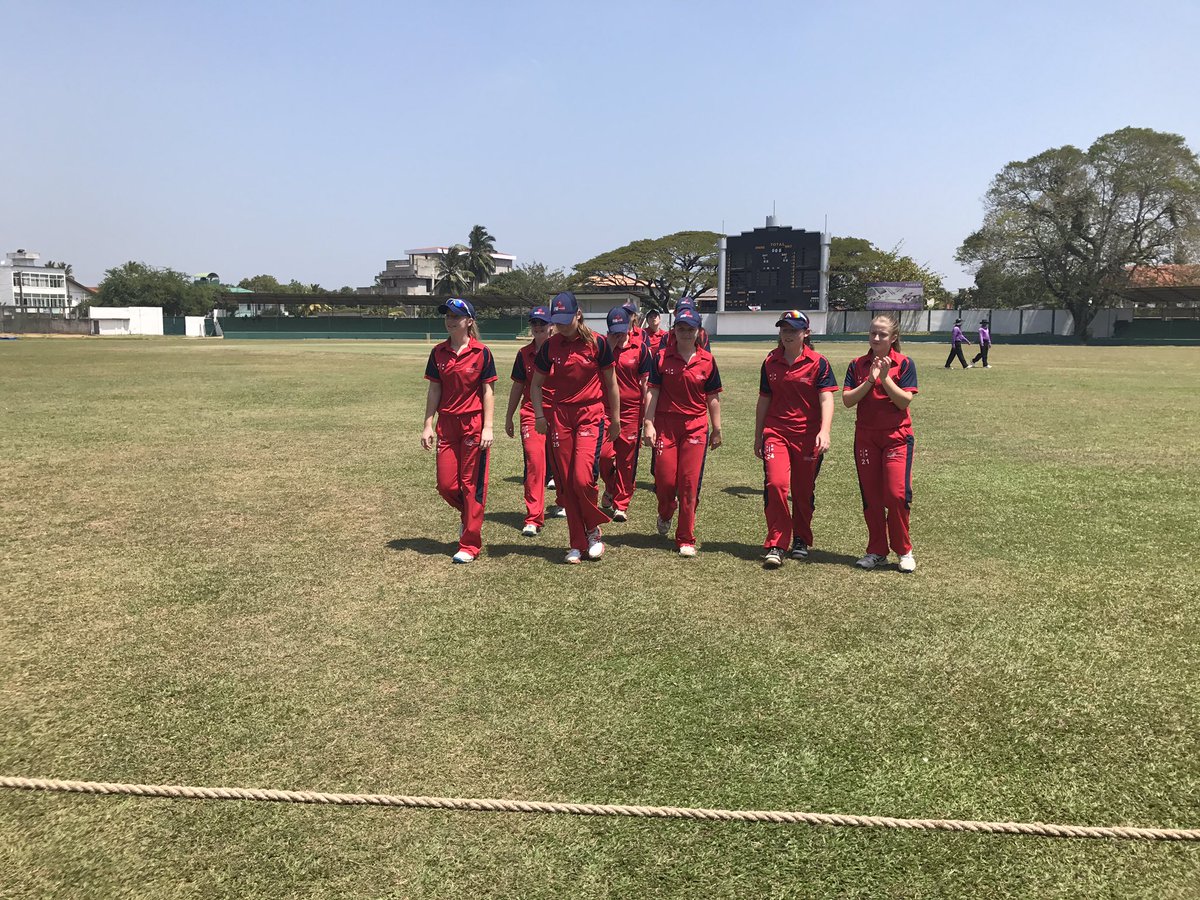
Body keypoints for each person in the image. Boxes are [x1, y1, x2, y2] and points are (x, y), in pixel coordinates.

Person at [531, 292, 621, 564]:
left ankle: (593, 531)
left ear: (578, 314)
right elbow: (536, 385)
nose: (560, 325)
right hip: (560, 417)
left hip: (590, 415)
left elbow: (611, 383)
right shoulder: (550, 346)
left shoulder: (597, 343)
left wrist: (615, 419)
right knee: (567, 483)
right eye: (556, 320)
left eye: (565, 319)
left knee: (582, 479)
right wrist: (540, 415)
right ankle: (576, 542)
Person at [754, 310, 837, 569]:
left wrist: (824, 431)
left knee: (803, 490)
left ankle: (801, 538)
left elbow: (826, 398)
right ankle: (777, 543)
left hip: (807, 437)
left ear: (806, 333)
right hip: (776, 432)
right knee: (776, 484)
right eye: (784, 329)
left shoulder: (819, 363)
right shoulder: (770, 361)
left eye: (793, 330)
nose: (788, 334)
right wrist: (758, 435)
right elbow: (764, 400)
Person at [421, 298, 497, 563]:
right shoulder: (438, 352)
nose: (450, 320)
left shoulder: (482, 353)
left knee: (471, 485)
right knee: (446, 485)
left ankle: (470, 544)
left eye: (456, 316)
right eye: (447, 316)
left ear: (469, 321)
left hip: (473, 424)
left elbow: (488, 391)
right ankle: (469, 516)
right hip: (447, 425)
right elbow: (434, 390)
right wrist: (428, 424)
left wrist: (488, 427)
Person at [642, 307, 722, 557]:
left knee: (688, 483)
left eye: (690, 329)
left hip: (695, 426)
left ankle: (686, 537)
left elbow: (712, 397)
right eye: (681, 328)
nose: (686, 333)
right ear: (674, 331)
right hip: (666, 425)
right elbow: (652, 390)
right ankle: (666, 511)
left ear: (698, 331)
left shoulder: (707, 360)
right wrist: (648, 423)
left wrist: (717, 429)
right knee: (665, 481)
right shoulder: (661, 357)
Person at [842, 315, 919, 573]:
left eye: (882, 334)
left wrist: (885, 378)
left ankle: (904, 550)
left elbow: (904, 401)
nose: (876, 338)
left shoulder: (904, 363)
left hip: (897, 438)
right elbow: (848, 400)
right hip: (866, 438)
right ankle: (877, 551)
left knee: (896, 496)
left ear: (893, 338)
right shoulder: (857, 364)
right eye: (873, 333)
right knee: (872, 497)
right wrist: (870, 379)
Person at [504, 305, 565, 536]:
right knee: (535, 462)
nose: (538, 327)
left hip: (559, 413)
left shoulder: (562, 349)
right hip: (531, 412)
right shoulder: (524, 354)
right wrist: (509, 416)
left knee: (561, 462)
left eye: (542, 323)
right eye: (534, 323)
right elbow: (518, 386)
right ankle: (533, 517)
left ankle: (563, 501)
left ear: (551, 326)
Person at [599, 305, 651, 522]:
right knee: (602, 456)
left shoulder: (640, 349)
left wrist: (647, 417)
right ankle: (611, 486)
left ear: (630, 326)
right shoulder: (601, 348)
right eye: (615, 332)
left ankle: (621, 503)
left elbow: (646, 384)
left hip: (631, 412)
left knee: (626, 459)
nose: (619, 336)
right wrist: (608, 348)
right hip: (604, 410)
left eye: (622, 331)